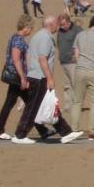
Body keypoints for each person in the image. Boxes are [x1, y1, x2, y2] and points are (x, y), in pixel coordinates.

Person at [12, 15, 84, 144]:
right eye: (56, 23)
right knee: (33, 108)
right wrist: (50, 78)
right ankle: (20, 135)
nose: (58, 26)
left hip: (36, 76)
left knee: (50, 104)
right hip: (39, 77)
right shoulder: (45, 38)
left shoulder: (38, 36)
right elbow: (42, 59)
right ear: (51, 25)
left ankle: (66, 132)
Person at [0, 16, 49, 141]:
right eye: (31, 28)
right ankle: (0, 131)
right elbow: (16, 59)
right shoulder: (18, 40)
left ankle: (43, 130)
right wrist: (23, 78)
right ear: (26, 28)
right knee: (27, 103)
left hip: (16, 76)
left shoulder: (15, 38)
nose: (31, 30)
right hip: (16, 77)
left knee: (28, 103)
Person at [55, 13, 83, 115]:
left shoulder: (77, 30)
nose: (61, 27)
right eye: (60, 25)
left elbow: (83, 42)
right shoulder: (60, 31)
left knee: (75, 84)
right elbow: (59, 43)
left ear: (68, 21)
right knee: (67, 86)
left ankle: (77, 106)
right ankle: (68, 106)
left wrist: (76, 56)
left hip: (73, 62)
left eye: (63, 24)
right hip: (63, 62)